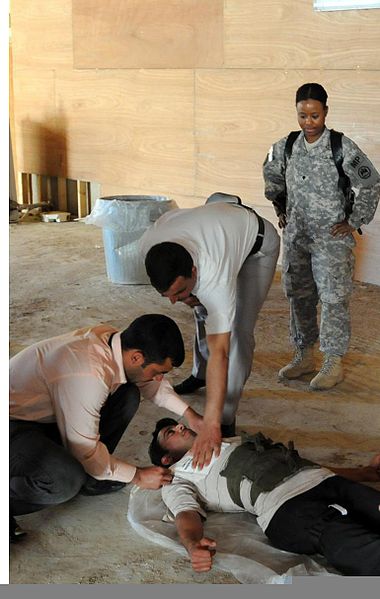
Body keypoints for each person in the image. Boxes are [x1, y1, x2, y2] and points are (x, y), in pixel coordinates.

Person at [10, 314, 203, 542]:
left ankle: (92, 476)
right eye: (158, 371)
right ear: (136, 357)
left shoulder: (114, 341)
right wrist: (137, 475)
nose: (159, 379)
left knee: (129, 393)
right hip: (12, 422)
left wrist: (190, 414)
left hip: (40, 414)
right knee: (65, 479)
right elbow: (85, 449)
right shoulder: (89, 374)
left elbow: (149, 383)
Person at [139, 194, 280, 469]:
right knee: (201, 311)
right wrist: (189, 295)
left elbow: (221, 352)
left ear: (194, 270)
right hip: (218, 228)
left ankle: (226, 417)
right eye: (167, 294)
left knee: (237, 331)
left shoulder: (214, 273)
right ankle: (199, 375)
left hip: (257, 245)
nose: (172, 300)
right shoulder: (149, 247)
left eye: (179, 291)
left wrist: (211, 423)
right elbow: (186, 293)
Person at [148, 418, 380, 576]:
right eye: (171, 433)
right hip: (286, 509)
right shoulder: (175, 476)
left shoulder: (229, 442)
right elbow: (186, 513)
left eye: (178, 425)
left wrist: (364, 473)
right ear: (166, 458)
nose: (180, 427)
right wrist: (192, 543)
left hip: (325, 481)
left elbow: (293, 464)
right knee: (361, 546)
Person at [263, 82, 380, 390]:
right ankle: (304, 355)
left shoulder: (342, 147)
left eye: (315, 115)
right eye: (303, 115)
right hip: (297, 238)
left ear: (326, 112)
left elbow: (370, 182)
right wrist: (280, 208)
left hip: (331, 241)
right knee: (298, 297)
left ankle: (333, 362)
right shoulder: (286, 146)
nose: (309, 123)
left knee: (332, 300)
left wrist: (354, 220)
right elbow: (272, 177)